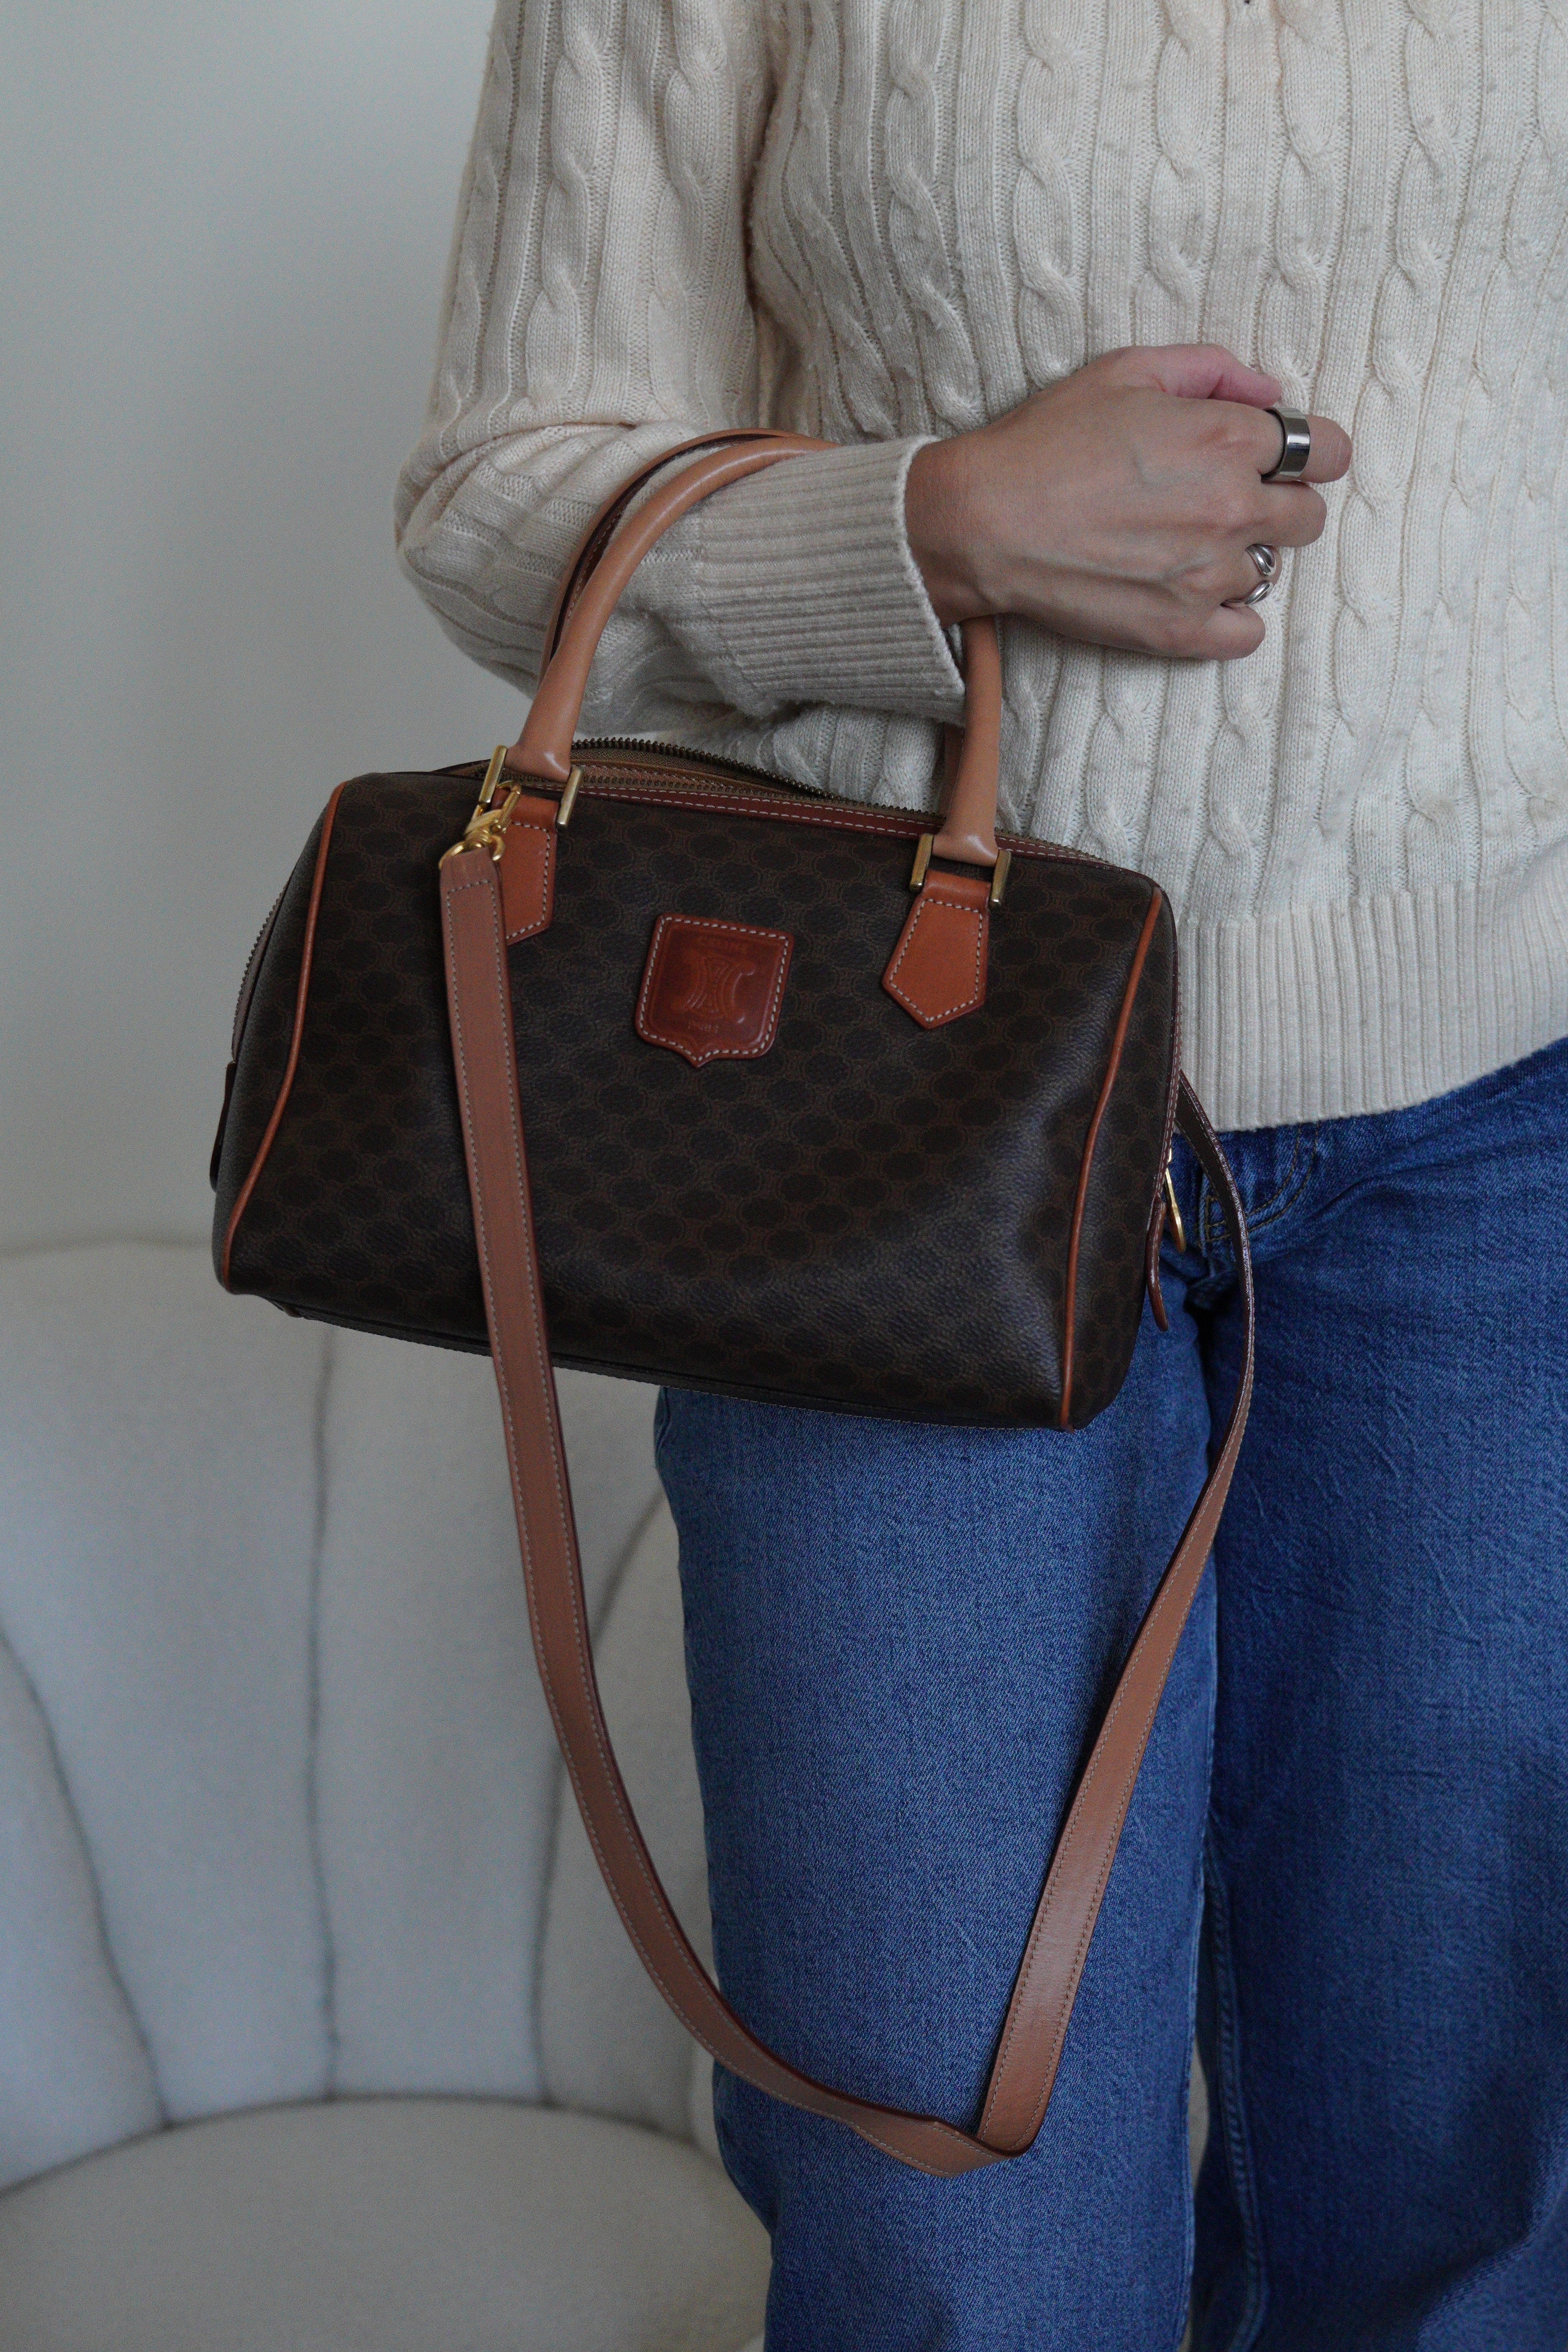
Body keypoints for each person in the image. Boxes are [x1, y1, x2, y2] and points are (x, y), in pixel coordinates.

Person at [396, 6, 1568, 2344]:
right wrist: (924, 521)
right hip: (901, 1136)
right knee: (955, 2239)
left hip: (1504, 1131)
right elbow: (497, 493)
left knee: (1463, 2210)